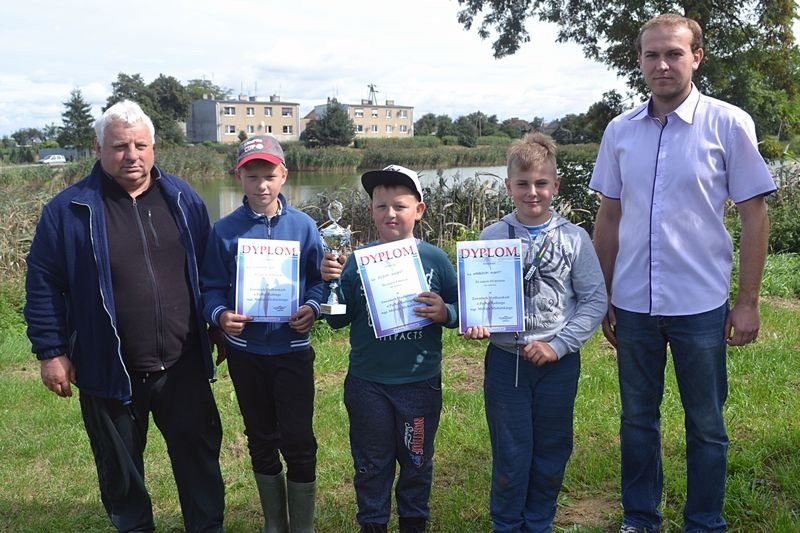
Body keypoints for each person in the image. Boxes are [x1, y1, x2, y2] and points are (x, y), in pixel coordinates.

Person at [590, 13, 776, 533]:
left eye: (674, 53)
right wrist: (602, 294)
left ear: (696, 56)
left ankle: (704, 522)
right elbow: (609, 213)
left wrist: (749, 299)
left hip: (701, 305)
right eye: (652, 55)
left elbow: (754, 213)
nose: (662, 64)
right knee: (636, 422)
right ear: (640, 61)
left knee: (707, 425)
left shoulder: (728, 123)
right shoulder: (619, 131)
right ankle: (640, 518)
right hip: (632, 304)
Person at [24, 100, 225, 532]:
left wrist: (218, 324)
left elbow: (209, 271)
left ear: (153, 147)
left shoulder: (183, 198)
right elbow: (42, 284)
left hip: (183, 362)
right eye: (119, 146)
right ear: (98, 149)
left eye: (140, 144)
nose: (131, 155)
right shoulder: (69, 210)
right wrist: (51, 352)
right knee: (122, 476)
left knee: (200, 466)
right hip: (108, 368)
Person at [463, 133, 607, 532]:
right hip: (507, 364)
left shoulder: (574, 239)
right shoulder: (491, 238)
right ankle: (507, 524)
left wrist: (559, 345)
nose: (532, 192)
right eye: (523, 184)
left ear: (555, 186)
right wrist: (477, 321)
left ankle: (539, 522)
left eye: (541, 183)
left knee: (552, 450)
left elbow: (594, 301)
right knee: (511, 452)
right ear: (508, 186)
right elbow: (479, 299)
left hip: (558, 364)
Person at [320, 165, 458, 533]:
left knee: (416, 461)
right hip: (368, 384)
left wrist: (446, 312)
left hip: (419, 382)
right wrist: (329, 287)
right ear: (371, 212)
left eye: (400, 206)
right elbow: (335, 321)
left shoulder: (435, 260)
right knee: (372, 463)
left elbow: (463, 309)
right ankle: (373, 523)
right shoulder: (357, 263)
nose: (390, 214)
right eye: (381, 206)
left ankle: (414, 523)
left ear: (420, 210)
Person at [200, 134, 323, 533]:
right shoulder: (224, 231)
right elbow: (210, 288)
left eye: (269, 175)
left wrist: (313, 308)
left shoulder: (304, 227)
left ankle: (301, 526)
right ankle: (275, 523)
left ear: (284, 174)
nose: (262, 185)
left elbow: (320, 283)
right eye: (252, 176)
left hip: (291, 351)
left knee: (300, 440)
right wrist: (220, 316)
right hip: (246, 353)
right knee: (260, 437)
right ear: (239, 178)